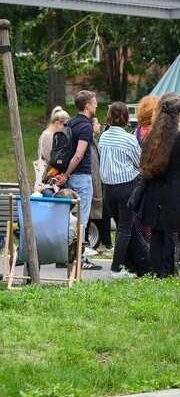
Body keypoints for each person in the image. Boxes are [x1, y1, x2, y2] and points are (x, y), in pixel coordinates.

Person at [138, 93, 180, 277]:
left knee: (158, 237)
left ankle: (160, 273)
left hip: (155, 195)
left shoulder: (151, 139)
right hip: (179, 195)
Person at [56, 90, 101, 271]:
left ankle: (65, 254)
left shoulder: (72, 122)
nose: (97, 104)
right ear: (87, 105)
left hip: (71, 176)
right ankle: (80, 258)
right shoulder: (86, 126)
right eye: (95, 102)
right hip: (81, 176)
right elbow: (79, 155)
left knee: (70, 218)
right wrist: (66, 174)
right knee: (81, 219)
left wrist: (65, 174)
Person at [97, 102, 141, 279]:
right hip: (126, 185)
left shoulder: (104, 137)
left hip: (108, 188)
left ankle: (133, 262)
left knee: (125, 228)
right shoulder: (129, 139)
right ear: (125, 118)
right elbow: (139, 161)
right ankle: (117, 268)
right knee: (124, 229)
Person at [90, 115, 113, 252]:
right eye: (97, 123)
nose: (99, 125)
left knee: (105, 212)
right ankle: (106, 241)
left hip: (100, 182)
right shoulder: (93, 142)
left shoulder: (95, 142)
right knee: (104, 211)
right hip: (97, 183)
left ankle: (106, 241)